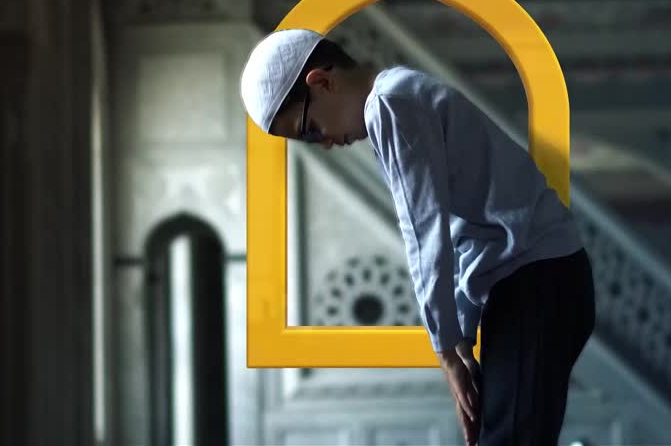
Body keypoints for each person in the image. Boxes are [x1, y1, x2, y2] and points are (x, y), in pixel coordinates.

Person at [241, 28, 596, 446]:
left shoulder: (389, 104)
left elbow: (424, 233)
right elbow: (464, 231)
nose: (325, 144)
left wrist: (447, 353)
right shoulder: (400, 94)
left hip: (536, 281)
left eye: (310, 130)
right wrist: (461, 340)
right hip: (532, 281)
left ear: (322, 82)